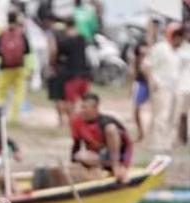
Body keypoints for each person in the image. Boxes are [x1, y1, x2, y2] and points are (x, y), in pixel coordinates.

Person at [69, 93, 133, 183]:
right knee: (80, 155)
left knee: (110, 129)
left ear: (95, 108)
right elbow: (76, 145)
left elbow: (128, 145)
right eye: (81, 107)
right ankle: (105, 167)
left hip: (117, 156)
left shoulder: (107, 122)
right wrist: (73, 163)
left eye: (85, 107)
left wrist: (123, 165)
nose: (82, 110)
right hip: (99, 158)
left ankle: (115, 167)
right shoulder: (77, 122)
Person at [143, 22, 185, 152]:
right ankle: (157, 144)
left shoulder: (180, 52)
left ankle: (167, 144)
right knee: (161, 116)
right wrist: (152, 82)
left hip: (175, 88)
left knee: (174, 117)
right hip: (161, 87)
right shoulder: (161, 48)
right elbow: (146, 65)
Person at [0, 12, 31, 122]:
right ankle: (14, 116)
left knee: (0, 91)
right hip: (19, 68)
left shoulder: (2, 33)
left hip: (5, 68)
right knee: (18, 92)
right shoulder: (21, 34)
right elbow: (27, 50)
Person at [56, 18, 91, 119]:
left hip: (71, 75)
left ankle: (73, 120)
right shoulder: (82, 38)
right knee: (85, 100)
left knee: (70, 101)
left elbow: (58, 54)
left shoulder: (65, 42)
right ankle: (85, 118)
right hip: (84, 74)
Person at [128, 38, 150, 142]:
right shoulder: (136, 60)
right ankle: (141, 133)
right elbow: (133, 74)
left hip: (150, 84)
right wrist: (130, 87)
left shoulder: (150, 59)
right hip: (141, 84)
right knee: (136, 110)